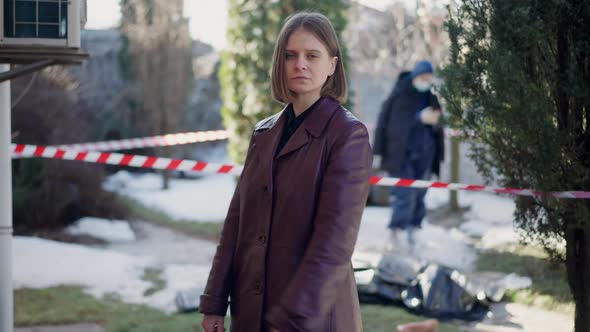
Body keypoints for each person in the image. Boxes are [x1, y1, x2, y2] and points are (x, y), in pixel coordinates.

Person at [200, 12, 372, 332]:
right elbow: (237, 222)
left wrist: (293, 320)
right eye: (290, 55)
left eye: (312, 55)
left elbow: (334, 242)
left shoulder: (348, 135)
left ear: (332, 65)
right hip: (252, 310)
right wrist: (214, 302)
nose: (300, 64)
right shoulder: (263, 134)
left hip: (311, 319)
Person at [373, 60, 444, 251]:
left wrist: (436, 121)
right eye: (423, 78)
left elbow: (439, 126)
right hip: (401, 155)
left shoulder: (431, 98)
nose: (426, 82)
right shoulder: (399, 96)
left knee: (420, 194)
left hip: (425, 155)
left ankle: (414, 230)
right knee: (404, 195)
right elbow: (391, 126)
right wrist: (418, 118)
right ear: (415, 76)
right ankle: (396, 231)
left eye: (429, 79)